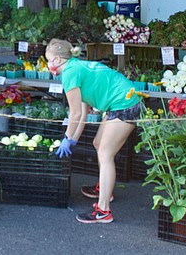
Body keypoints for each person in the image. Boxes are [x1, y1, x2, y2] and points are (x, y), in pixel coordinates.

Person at [46, 38, 142, 224]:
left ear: (57, 60)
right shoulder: (75, 66)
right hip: (118, 103)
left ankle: (104, 211)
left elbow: (73, 113)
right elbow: (83, 111)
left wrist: (67, 137)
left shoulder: (69, 73)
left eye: (49, 60)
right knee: (98, 144)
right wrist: (73, 139)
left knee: (105, 154)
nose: (48, 65)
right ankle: (104, 189)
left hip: (124, 104)